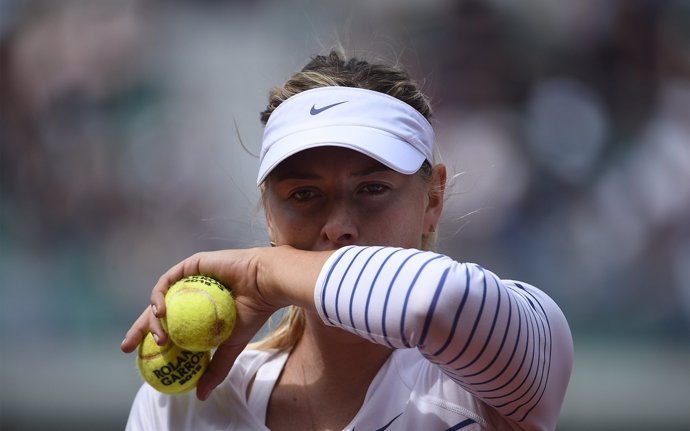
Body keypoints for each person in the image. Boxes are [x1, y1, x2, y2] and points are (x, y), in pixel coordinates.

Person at [120, 50, 573, 431]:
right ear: (269, 214)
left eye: (372, 189)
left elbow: (436, 300)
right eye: (304, 194)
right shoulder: (181, 406)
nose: (338, 225)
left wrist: (265, 274)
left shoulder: (496, 367)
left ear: (432, 198)